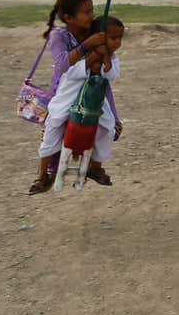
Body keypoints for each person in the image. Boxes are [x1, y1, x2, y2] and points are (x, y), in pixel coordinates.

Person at [33, 15, 125, 193]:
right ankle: (42, 173)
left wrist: (105, 57)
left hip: (94, 101)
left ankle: (95, 166)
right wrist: (92, 58)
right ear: (99, 36)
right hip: (68, 98)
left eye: (120, 38)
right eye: (114, 38)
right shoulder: (80, 52)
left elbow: (111, 75)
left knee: (108, 128)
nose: (118, 43)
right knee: (53, 127)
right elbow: (71, 72)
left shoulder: (113, 57)